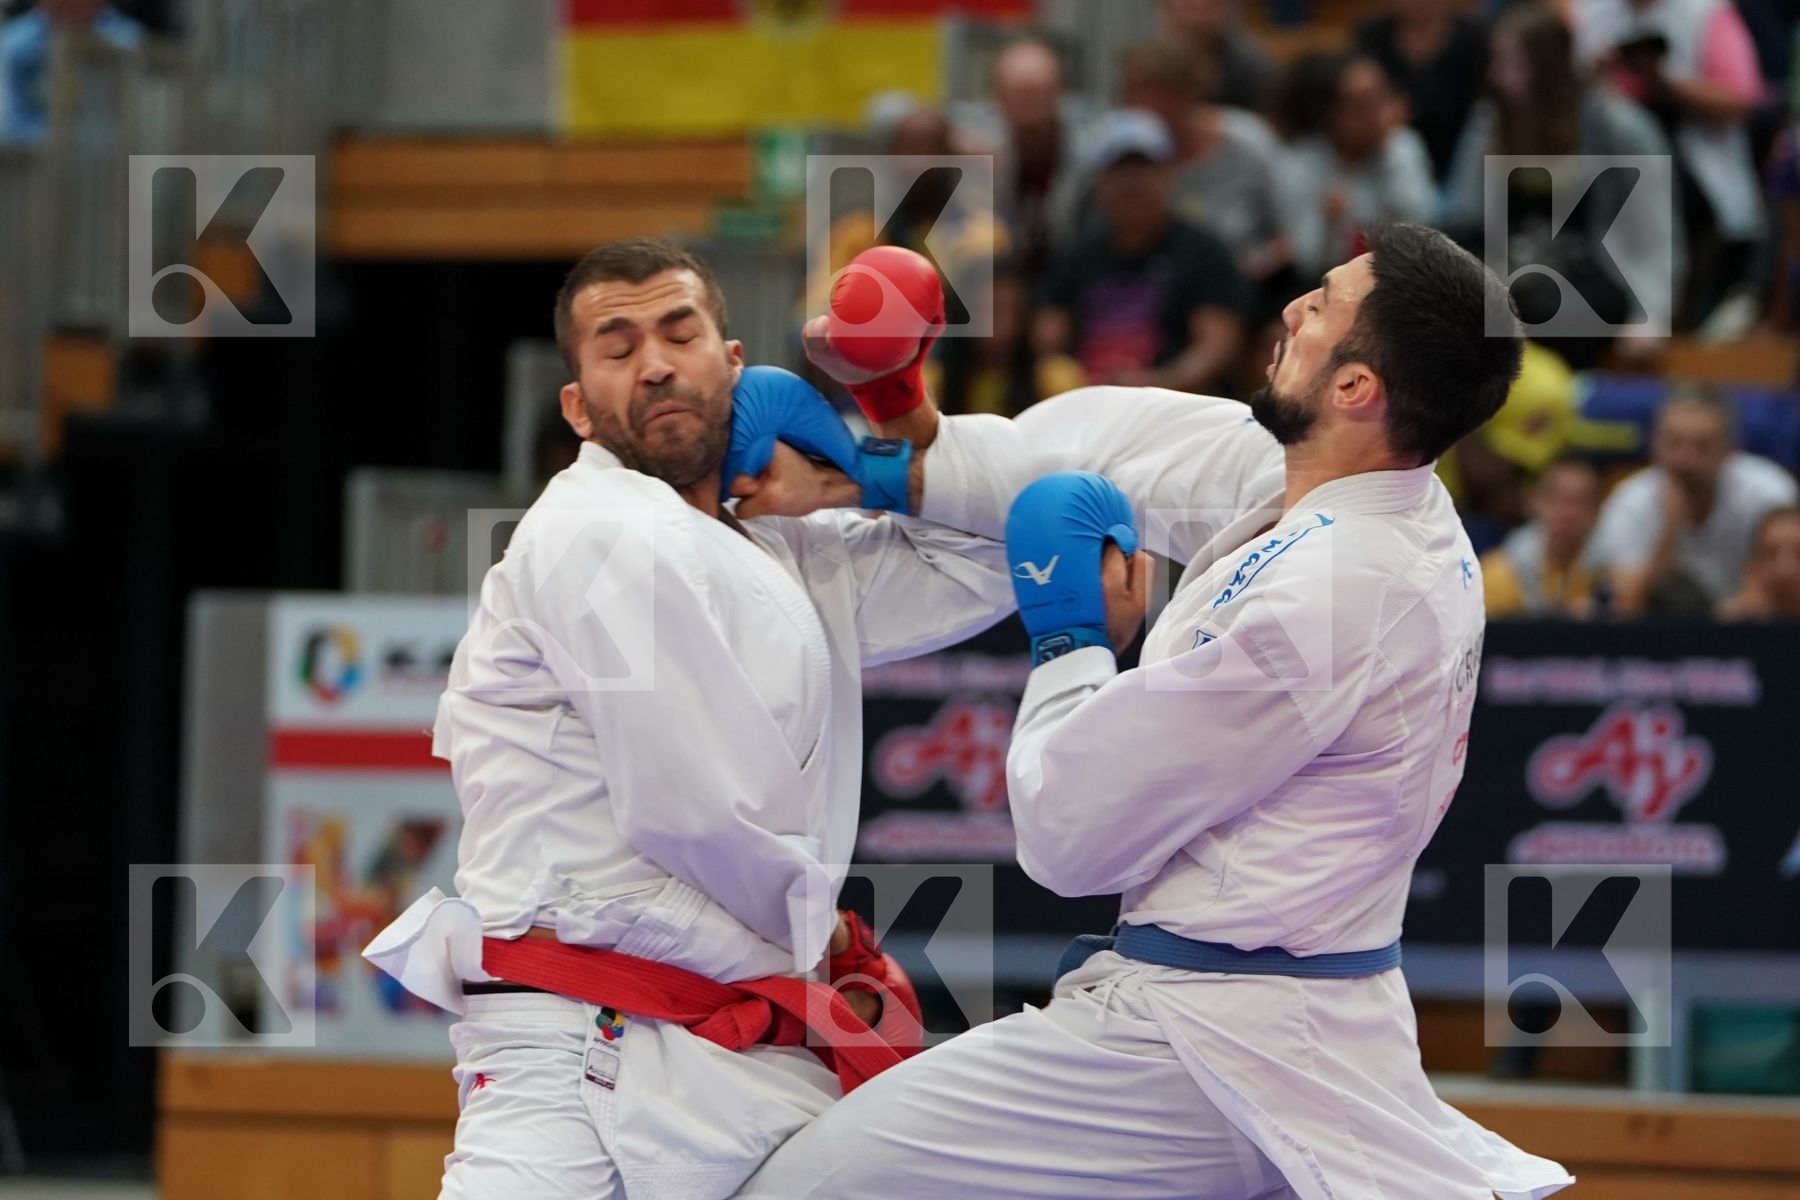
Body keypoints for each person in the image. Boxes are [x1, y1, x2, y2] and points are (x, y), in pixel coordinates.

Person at [739, 224, 1574, 1200]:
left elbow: (1067, 833)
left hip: (1201, 1043)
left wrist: (1072, 637)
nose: (1293, 308)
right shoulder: (1352, 487)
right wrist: (876, 456)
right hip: (1256, 1014)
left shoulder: (1336, 597)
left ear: (1356, 389)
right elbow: (1109, 444)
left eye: (1324, 306)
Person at [364, 237, 1032, 1200]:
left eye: (679, 333)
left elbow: (986, 560)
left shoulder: (785, 539)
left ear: (735, 360)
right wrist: (820, 938)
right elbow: (692, 808)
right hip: (581, 1050)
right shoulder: (592, 531)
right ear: (577, 402)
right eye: (617, 345)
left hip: (728, 1046)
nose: (655, 364)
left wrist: (867, 463)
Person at [1439, 2, 1681, 368]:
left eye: (1510, 62)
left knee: (1557, 311)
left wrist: (1651, 315)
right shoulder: (1488, 123)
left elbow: (1653, 232)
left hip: (1591, 275)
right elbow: (1464, 215)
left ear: (1547, 65)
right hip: (1510, 273)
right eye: (1496, 61)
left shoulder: (1617, 127)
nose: (1496, 75)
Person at [1033, 109, 1246, 394]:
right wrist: (1065, 378)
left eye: (1143, 168)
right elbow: (1049, 336)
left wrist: (1154, 385)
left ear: (1169, 175)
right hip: (1089, 405)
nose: (1132, 182)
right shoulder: (1078, 253)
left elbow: (1216, 347)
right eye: (1119, 170)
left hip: (1173, 408)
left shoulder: (1204, 252)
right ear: (1099, 182)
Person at [1120, 39, 1294, 326]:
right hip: (1159, 292)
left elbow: (1289, 238)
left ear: (1183, 92)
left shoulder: (1248, 141)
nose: (1132, 104)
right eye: (1130, 91)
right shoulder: (1134, 153)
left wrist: (1237, 269)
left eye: (1146, 90)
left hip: (1246, 290)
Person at [1588, 387, 1798, 616]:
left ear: (1730, 449)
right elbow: (1625, 608)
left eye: (1701, 446)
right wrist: (1669, 530)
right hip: (1663, 639)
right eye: (1674, 443)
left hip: (1758, 632)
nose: (1686, 459)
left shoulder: (1768, 492)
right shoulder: (1631, 501)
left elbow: (1787, 584)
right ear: (1654, 444)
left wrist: (1728, 616)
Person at [1274, 53, 1437, 282]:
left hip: (1404, 282)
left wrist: (1387, 156)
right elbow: (1307, 261)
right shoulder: (1300, 165)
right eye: (1361, 107)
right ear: (1328, 114)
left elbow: (1426, 228)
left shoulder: (1402, 146)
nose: (1377, 115)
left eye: (1382, 98)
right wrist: (1329, 225)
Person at [952, 38, 1097, 281]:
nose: (1029, 107)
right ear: (996, 97)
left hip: (1073, 283)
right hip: (1002, 287)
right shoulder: (979, 152)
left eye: (1039, 93)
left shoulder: (1091, 156)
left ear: (1061, 92)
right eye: (1018, 94)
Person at [1354, 0, 1491, 183]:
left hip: (1459, 154)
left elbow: (1482, 107)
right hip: (1389, 155)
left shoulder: (1475, 37)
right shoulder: (1371, 34)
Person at [0, 0, 144, 144]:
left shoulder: (131, 45)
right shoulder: (12, 45)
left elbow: (139, 128)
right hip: (33, 157)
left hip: (112, 156)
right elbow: (11, 125)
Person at [1482, 456, 1607, 618]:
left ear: (1598, 510)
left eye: (1581, 502)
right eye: (1557, 500)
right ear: (1535, 502)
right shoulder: (1500, 572)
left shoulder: (1610, 571)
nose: (1568, 513)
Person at [1159, 0, 1277, 112]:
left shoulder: (1250, 66)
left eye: (1201, 10)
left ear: (1221, 10)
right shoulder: (1160, 60)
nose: (1192, 20)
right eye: (1183, 9)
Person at [1717, 506, 1800, 619]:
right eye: (1770, 554)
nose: (1784, 568)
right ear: (1751, 566)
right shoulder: (1725, 625)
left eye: (1798, 554)